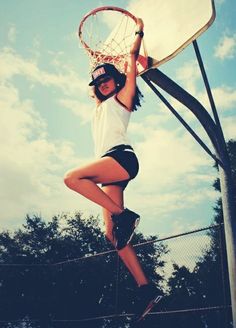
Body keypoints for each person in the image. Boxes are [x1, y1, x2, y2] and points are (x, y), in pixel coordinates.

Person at [64, 18, 160, 320]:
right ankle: (147, 288)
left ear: (117, 80)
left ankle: (125, 216)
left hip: (122, 159)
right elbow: (94, 85)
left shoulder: (123, 98)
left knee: (72, 177)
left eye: (106, 80)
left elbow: (130, 62)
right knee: (113, 237)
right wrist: (97, 61)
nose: (102, 85)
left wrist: (138, 34)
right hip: (110, 169)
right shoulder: (99, 104)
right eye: (98, 83)